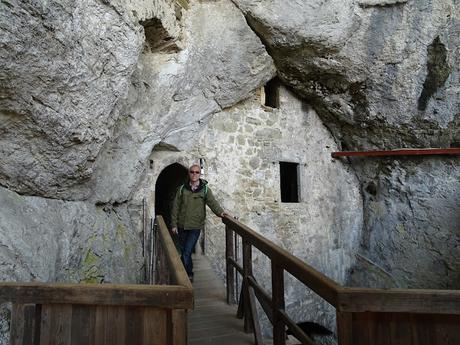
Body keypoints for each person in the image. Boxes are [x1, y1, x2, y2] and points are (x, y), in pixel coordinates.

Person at [171, 164, 229, 282]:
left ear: (200, 174)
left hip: (195, 227)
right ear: (189, 173)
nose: (194, 174)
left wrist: (221, 213)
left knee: (186, 252)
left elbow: (213, 203)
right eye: (192, 172)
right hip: (182, 225)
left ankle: (186, 277)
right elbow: (175, 207)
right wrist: (173, 224)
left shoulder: (205, 189)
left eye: (197, 172)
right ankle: (189, 272)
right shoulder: (182, 189)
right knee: (185, 252)